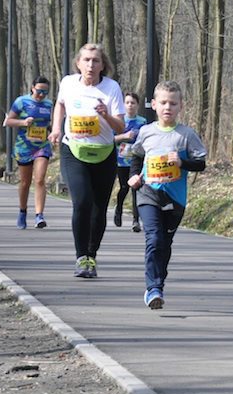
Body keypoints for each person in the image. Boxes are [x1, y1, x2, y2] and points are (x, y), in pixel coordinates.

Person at [127, 81, 207, 309]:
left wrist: (182, 162)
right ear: (154, 104)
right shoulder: (146, 132)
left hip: (175, 199)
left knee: (165, 243)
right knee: (154, 238)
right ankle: (153, 288)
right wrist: (133, 176)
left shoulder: (186, 135)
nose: (167, 107)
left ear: (181, 106)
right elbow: (136, 156)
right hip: (148, 193)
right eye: (163, 103)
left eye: (172, 103)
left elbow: (201, 164)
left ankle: (158, 284)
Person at [48, 44, 125, 277]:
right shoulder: (68, 83)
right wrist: (56, 129)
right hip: (74, 150)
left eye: (96, 61)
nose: (91, 65)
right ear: (78, 63)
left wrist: (105, 115)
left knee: (99, 208)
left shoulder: (111, 88)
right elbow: (60, 104)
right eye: (87, 60)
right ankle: (81, 257)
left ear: (103, 65)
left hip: (104, 152)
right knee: (82, 201)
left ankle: (92, 255)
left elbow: (120, 127)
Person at [3, 77, 54, 229]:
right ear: (32, 88)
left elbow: (50, 124)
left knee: (40, 179)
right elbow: (8, 121)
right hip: (24, 147)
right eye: (39, 91)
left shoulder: (49, 104)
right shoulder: (21, 101)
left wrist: (53, 133)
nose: (41, 95)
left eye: (45, 92)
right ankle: (22, 211)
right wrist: (23, 122)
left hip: (42, 146)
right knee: (25, 182)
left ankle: (39, 215)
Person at [114, 92, 148, 232]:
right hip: (121, 160)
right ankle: (119, 209)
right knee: (124, 188)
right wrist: (124, 136)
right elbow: (111, 139)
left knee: (136, 189)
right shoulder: (119, 121)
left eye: (133, 103)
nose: (130, 105)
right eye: (127, 103)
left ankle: (136, 220)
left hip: (136, 160)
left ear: (137, 105)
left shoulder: (143, 122)